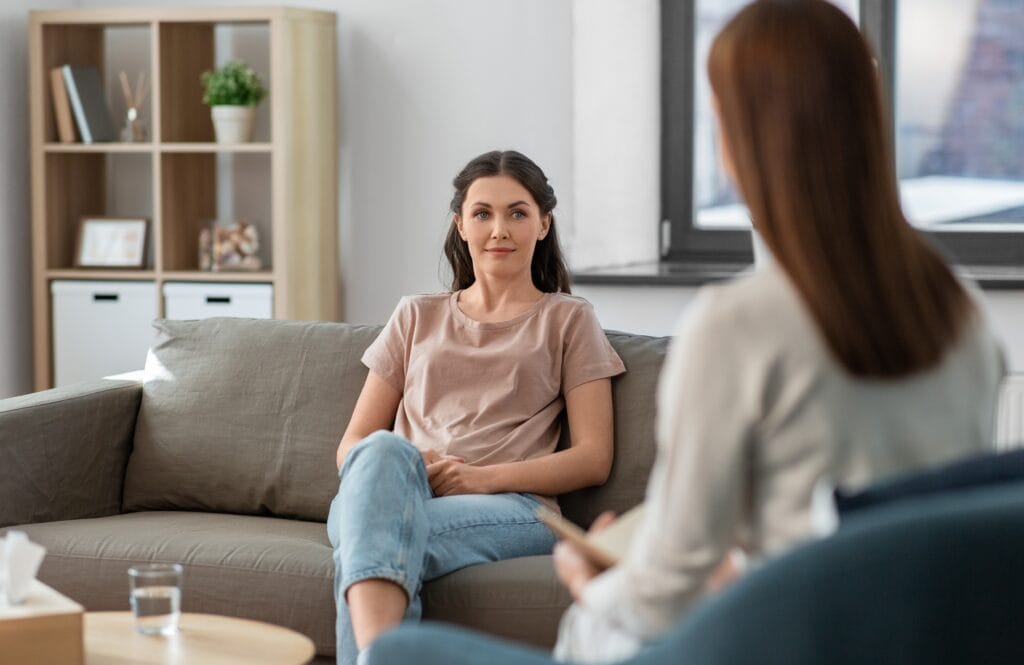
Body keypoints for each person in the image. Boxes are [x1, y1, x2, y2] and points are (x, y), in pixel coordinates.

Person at [364, 2, 1005, 664]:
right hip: (898, 638)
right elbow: (886, 534)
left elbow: (665, 588)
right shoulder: (960, 309)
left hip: (759, 643)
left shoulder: (737, 325)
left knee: (400, 654)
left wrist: (596, 583)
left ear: (739, 140)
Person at [328, 149, 626, 664]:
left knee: (371, 545)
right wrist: (415, 466)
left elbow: (594, 457)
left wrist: (480, 477)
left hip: (512, 506)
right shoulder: (414, 315)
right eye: (483, 213)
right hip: (396, 490)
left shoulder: (569, 319)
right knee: (379, 456)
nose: (499, 230)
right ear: (461, 226)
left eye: (517, 212)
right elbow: (351, 448)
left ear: (543, 223)